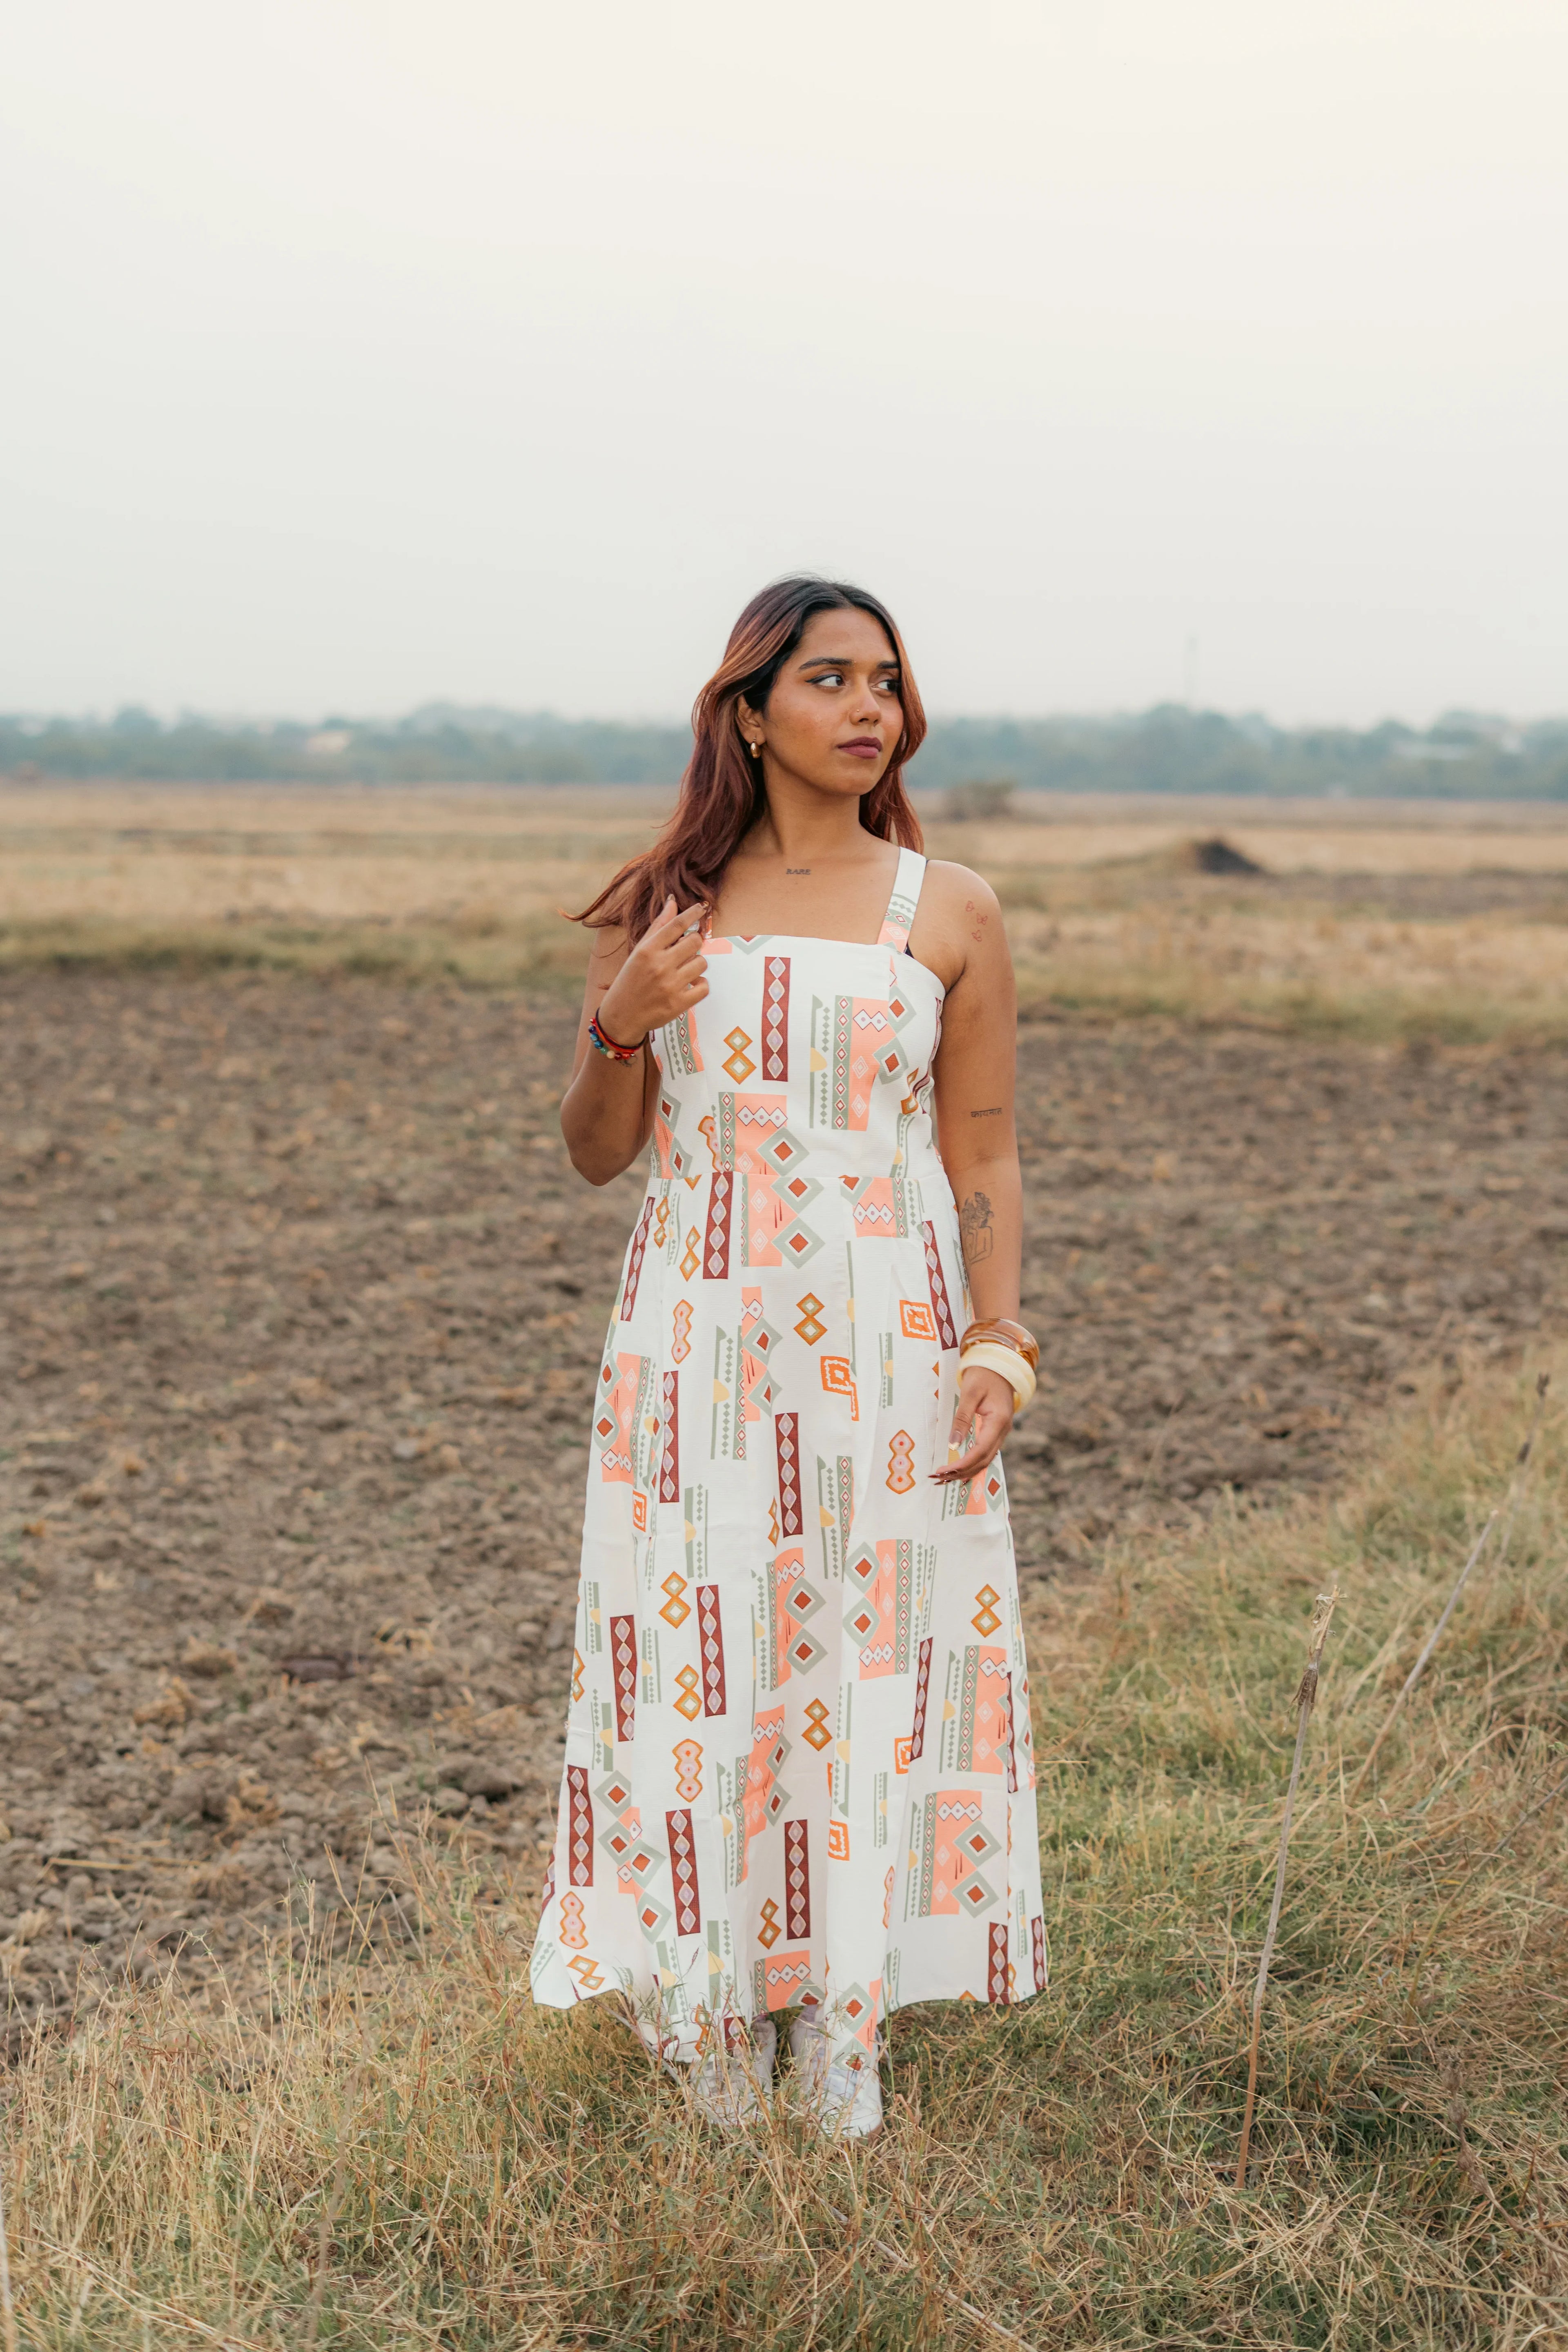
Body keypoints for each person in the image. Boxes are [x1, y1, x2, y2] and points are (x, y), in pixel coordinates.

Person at [530, 577, 1045, 2137]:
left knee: (861, 1661)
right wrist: (621, 1018)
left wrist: (999, 1348)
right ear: (750, 712)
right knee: (699, 1664)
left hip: (888, 1340)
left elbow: (991, 1156)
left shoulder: (945, 906)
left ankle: (845, 2035)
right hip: (696, 1339)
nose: (870, 706)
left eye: (886, 679)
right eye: (830, 678)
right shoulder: (672, 907)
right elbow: (593, 1154)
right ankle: (705, 2036)